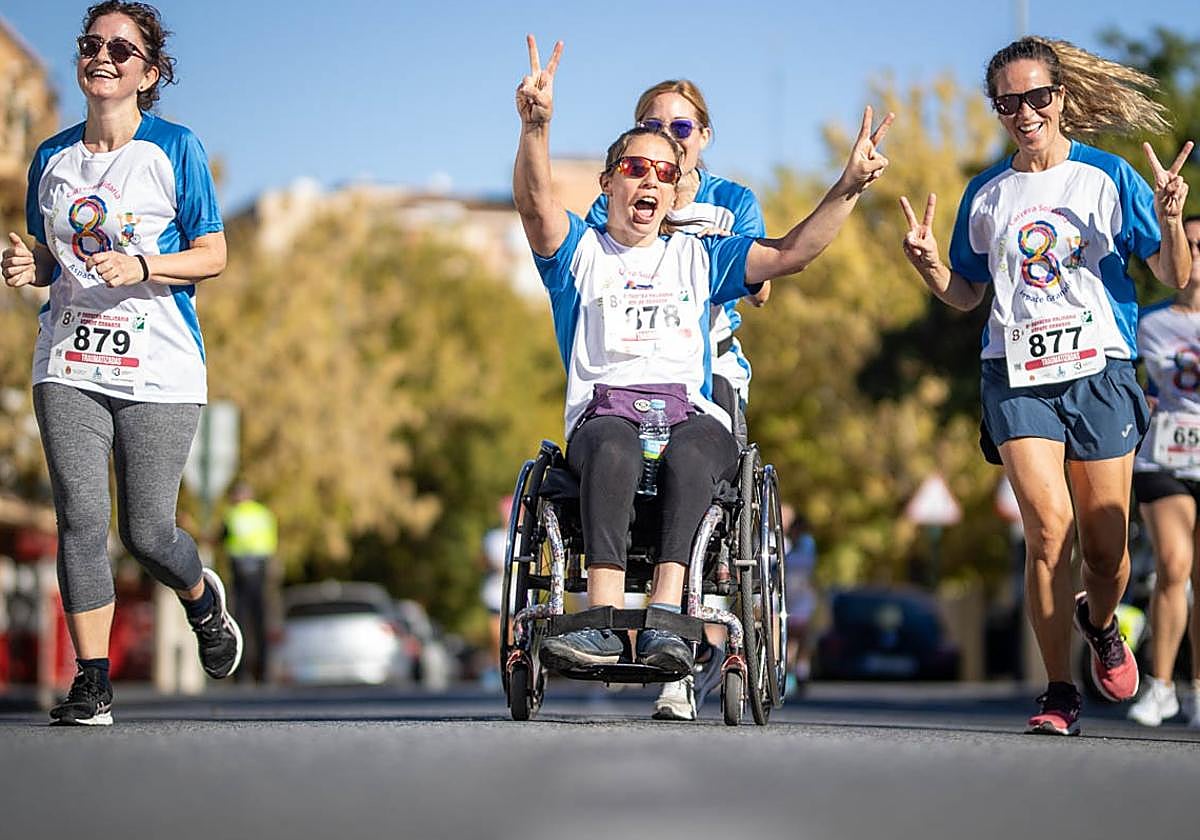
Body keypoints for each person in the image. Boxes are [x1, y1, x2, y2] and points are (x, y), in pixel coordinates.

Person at [513, 35, 890, 688]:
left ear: (677, 183)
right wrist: (536, 128)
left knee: (695, 451)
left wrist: (848, 187)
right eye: (634, 168)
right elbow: (535, 205)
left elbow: (791, 253)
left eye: (664, 170)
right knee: (614, 446)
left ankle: (666, 617)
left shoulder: (699, 254)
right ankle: (601, 617)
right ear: (608, 183)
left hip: (689, 410)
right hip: (607, 412)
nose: (650, 180)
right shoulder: (581, 251)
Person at [898, 36, 1193, 736]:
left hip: (1101, 372)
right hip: (1018, 375)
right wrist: (929, 267)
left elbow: (1175, 276)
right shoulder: (988, 194)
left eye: (1036, 97)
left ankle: (1102, 620)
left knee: (1105, 548)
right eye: (1008, 102)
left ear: (1060, 98)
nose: (1024, 112)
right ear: (997, 110)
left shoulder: (1108, 177)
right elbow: (969, 296)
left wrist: (1175, 219)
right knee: (1047, 531)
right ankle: (1059, 691)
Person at [0, 1, 240, 725]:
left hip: (160, 367)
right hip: (69, 358)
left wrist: (143, 263)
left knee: (146, 532)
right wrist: (32, 263)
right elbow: (62, 260)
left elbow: (214, 254)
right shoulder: (51, 159)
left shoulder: (175, 148)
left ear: (149, 72)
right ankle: (93, 681)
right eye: (90, 44)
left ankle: (200, 597)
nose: (101, 56)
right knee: (79, 516)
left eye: (121, 48)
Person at [585, 79, 767, 721]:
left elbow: (761, 283)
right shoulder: (624, 193)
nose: (670, 137)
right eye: (654, 127)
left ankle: (683, 655)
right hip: (632, 368)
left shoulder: (730, 201)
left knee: (705, 472)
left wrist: (682, 223)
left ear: (702, 137)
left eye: (682, 128)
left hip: (710, 363)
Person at [1127, 213, 1200, 727]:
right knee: (1174, 564)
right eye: (1189, 244)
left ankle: (1198, 690)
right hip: (1164, 457)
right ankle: (1162, 686)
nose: (1197, 255)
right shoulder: (1147, 322)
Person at [221, 481, 277, 683]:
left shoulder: (233, 514)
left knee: (240, 622)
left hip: (240, 572)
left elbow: (223, 538)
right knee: (261, 622)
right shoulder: (263, 514)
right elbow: (271, 543)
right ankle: (263, 672)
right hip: (260, 571)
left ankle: (241, 672)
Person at [783, 510, 818, 696]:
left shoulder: (806, 544)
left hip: (801, 598)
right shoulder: (789, 545)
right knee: (789, 639)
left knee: (801, 636)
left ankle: (800, 673)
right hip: (790, 597)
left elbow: (802, 567)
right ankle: (791, 674)